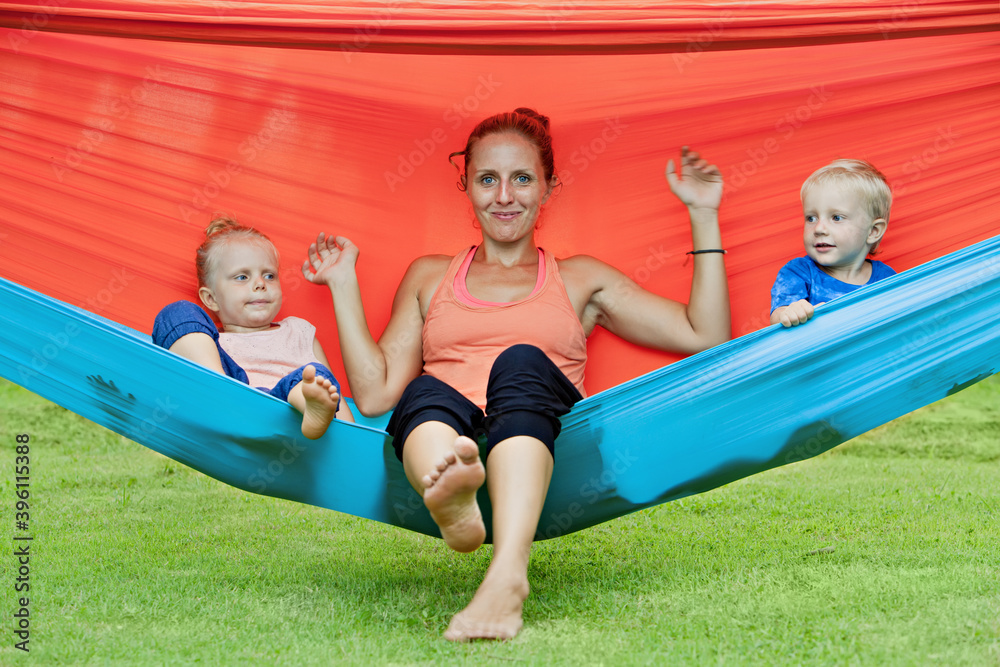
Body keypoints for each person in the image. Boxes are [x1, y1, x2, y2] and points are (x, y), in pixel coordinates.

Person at [301, 108, 730, 641]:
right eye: (488, 179)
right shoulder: (429, 275)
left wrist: (704, 215)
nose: (505, 196)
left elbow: (702, 334)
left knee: (519, 361)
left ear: (549, 187)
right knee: (427, 391)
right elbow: (374, 394)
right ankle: (450, 494)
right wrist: (343, 282)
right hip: (445, 424)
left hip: (542, 434)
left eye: (522, 178)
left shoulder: (581, 279)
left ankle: (507, 573)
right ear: (467, 185)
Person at [153, 218, 353, 438]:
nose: (260, 284)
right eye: (242, 277)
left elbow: (333, 394)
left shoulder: (299, 330)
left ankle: (313, 412)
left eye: (269, 275)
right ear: (211, 299)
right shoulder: (208, 341)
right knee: (176, 312)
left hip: (287, 413)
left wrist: (352, 436)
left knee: (314, 377)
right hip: (235, 396)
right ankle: (216, 385)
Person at [770, 159, 896, 327]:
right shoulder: (799, 272)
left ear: (873, 231)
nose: (819, 228)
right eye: (811, 218)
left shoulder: (886, 278)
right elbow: (778, 317)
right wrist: (789, 313)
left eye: (836, 218)